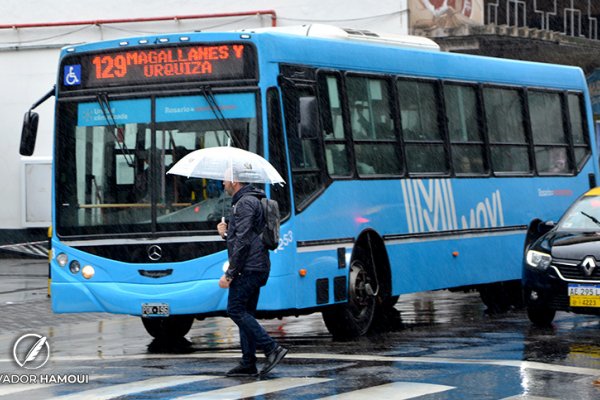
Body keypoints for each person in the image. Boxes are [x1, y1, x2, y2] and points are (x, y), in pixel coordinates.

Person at [216, 168, 288, 377]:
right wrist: (226, 233)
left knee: (235, 310)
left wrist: (230, 273)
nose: (222, 183)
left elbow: (244, 240)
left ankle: (272, 348)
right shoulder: (248, 200)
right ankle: (248, 361)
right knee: (245, 313)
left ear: (235, 180)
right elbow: (243, 235)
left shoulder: (245, 202)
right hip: (255, 266)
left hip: (249, 268)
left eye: (225, 178)